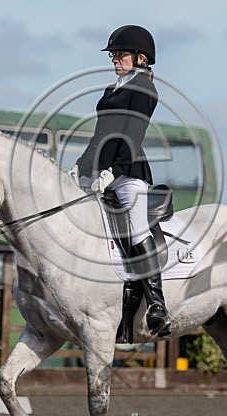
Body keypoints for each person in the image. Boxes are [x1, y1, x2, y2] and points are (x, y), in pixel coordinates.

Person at [70, 24, 170, 337]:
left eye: (120, 53)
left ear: (141, 58)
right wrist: (81, 166)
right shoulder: (112, 89)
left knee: (137, 227)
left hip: (129, 175)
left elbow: (132, 132)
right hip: (102, 174)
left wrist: (114, 171)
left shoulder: (144, 89)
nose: (115, 58)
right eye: (114, 53)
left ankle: (156, 303)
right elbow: (101, 134)